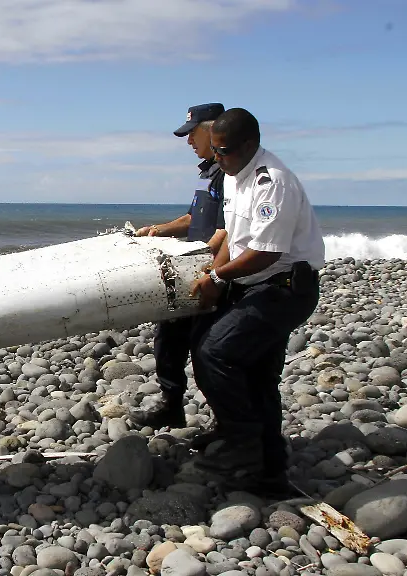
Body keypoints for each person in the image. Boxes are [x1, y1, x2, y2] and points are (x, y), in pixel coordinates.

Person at [188, 108, 324, 495]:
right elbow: (234, 233)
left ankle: (243, 444)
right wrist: (216, 274)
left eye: (224, 151)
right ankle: (269, 473)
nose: (217, 159)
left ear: (251, 145)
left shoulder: (272, 183)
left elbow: (266, 252)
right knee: (254, 374)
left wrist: (217, 277)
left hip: (284, 288)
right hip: (255, 284)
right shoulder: (234, 174)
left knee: (217, 352)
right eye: (214, 151)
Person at [130, 103, 228, 435]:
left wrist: (210, 270)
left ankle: (225, 424)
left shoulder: (231, 173)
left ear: (213, 130)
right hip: (193, 267)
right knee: (168, 337)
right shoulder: (208, 173)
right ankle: (172, 406)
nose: (188, 142)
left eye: (192, 134)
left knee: (207, 350)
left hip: (213, 271)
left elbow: (228, 231)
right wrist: (157, 229)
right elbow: (192, 219)